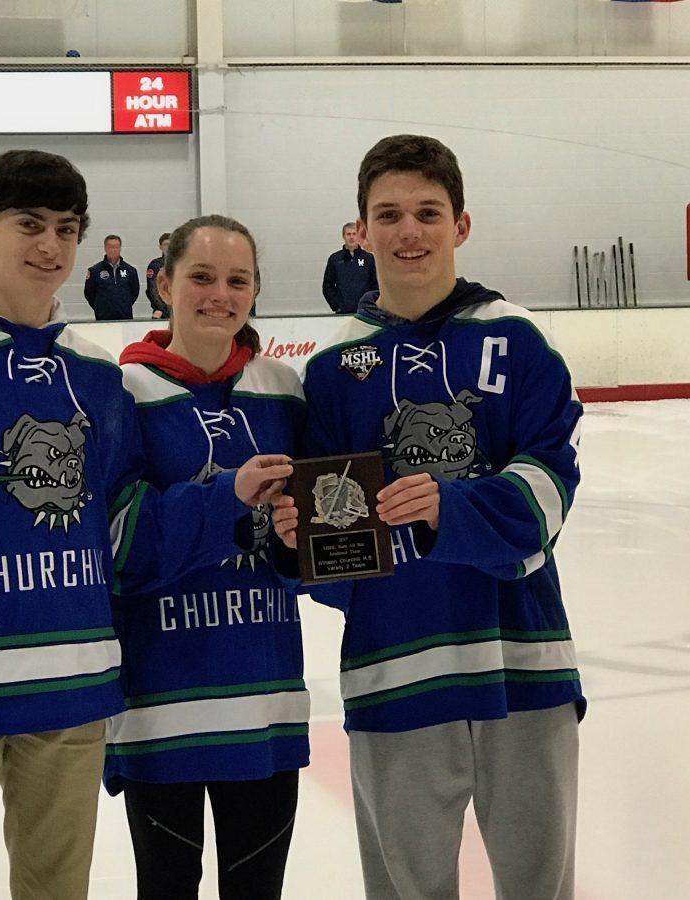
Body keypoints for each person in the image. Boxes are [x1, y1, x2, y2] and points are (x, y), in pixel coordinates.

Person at [0, 150, 293, 900]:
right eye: (29, 225)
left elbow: (122, 531)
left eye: (66, 229)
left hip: (74, 690)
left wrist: (225, 503)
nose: (49, 246)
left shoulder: (93, 374)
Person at [274, 135, 584, 899]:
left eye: (426, 212)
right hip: (395, 667)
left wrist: (455, 508)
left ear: (460, 225)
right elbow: (327, 528)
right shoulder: (330, 367)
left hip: (522, 662)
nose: (407, 230)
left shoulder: (515, 336)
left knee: (539, 886)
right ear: (361, 231)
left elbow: (551, 479)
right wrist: (298, 543)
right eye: (388, 215)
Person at [106, 214, 309, 900]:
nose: (218, 294)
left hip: (264, 702)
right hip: (162, 705)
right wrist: (229, 497)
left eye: (237, 280)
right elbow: (119, 545)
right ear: (162, 284)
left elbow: (312, 548)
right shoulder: (121, 394)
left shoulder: (281, 390)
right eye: (200, 276)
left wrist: (293, 540)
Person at [321, 221, 378, 313]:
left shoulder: (369, 258)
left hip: (365, 312)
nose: (351, 237)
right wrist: (336, 306)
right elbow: (327, 286)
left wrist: (370, 305)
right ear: (344, 236)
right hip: (342, 312)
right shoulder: (334, 259)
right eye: (348, 234)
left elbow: (376, 285)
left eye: (354, 234)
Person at [84, 233, 140, 320]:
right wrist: (100, 308)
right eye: (110, 247)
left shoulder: (131, 271)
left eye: (116, 247)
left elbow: (135, 292)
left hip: (125, 317)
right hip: (103, 318)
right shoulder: (94, 271)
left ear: (120, 248)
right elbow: (89, 294)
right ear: (105, 248)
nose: (113, 250)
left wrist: (124, 305)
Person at [145, 231, 172, 319]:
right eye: (166, 244)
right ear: (160, 247)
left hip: (178, 310)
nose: (168, 247)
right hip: (161, 311)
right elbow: (152, 289)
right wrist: (161, 308)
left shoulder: (181, 264)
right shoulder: (155, 265)